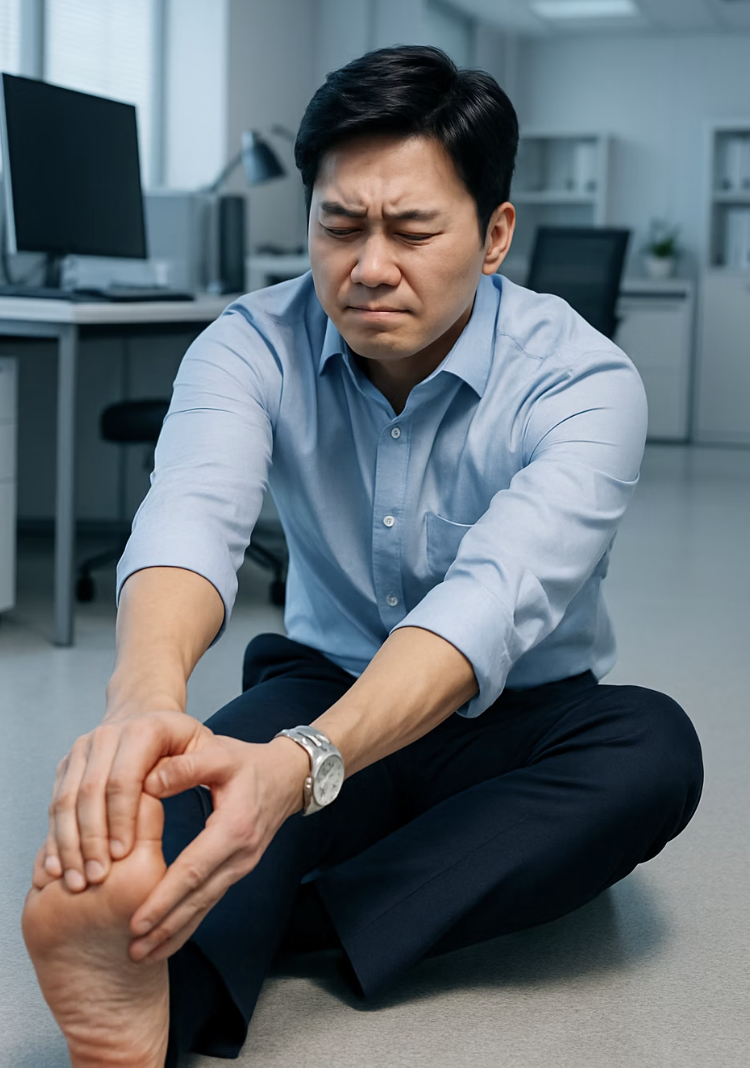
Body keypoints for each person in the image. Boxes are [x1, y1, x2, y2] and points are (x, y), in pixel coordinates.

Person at [22, 45, 703, 1068]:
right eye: (339, 226)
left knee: (651, 752)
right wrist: (143, 703)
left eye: (413, 230)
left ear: (495, 235)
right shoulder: (250, 342)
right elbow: (191, 516)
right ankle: (152, 1012)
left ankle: (293, 909)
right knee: (198, 785)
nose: (369, 266)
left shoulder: (583, 382)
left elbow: (491, 600)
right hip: (322, 680)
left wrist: (302, 769)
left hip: (518, 716)